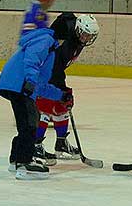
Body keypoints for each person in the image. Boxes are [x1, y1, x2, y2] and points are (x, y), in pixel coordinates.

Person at [0, 27, 73, 180]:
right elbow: (32, 59)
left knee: (27, 122)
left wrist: (61, 96)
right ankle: (24, 164)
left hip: (16, 84)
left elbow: (41, 85)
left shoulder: (50, 46)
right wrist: (30, 81)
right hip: (19, 84)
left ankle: (16, 160)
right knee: (30, 122)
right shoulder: (46, 40)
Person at [34, 13, 100, 163]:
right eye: (84, 34)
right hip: (44, 72)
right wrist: (62, 91)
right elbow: (54, 67)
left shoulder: (76, 40)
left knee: (62, 104)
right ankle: (36, 144)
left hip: (53, 71)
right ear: (77, 30)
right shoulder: (67, 42)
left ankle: (61, 143)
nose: (86, 38)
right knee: (45, 105)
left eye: (90, 36)